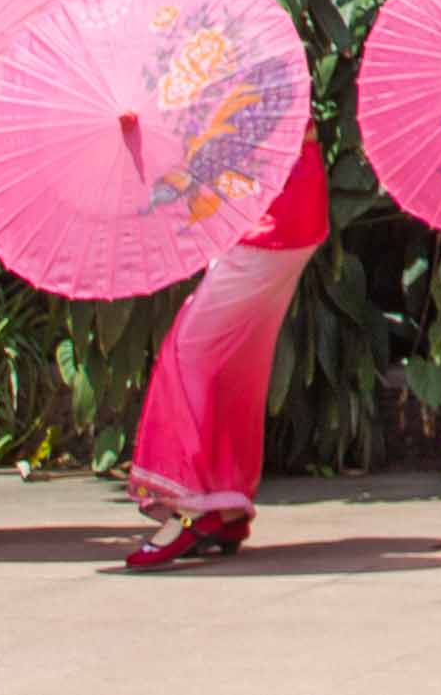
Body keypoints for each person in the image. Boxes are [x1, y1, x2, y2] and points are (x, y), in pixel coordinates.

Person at [122, 129, 328, 570]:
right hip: (279, 214)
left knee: (189, 357)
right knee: (236, 368)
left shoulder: (252, 63)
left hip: (268, 220)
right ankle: (226, 507)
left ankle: (191, 504)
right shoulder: (265, 63)